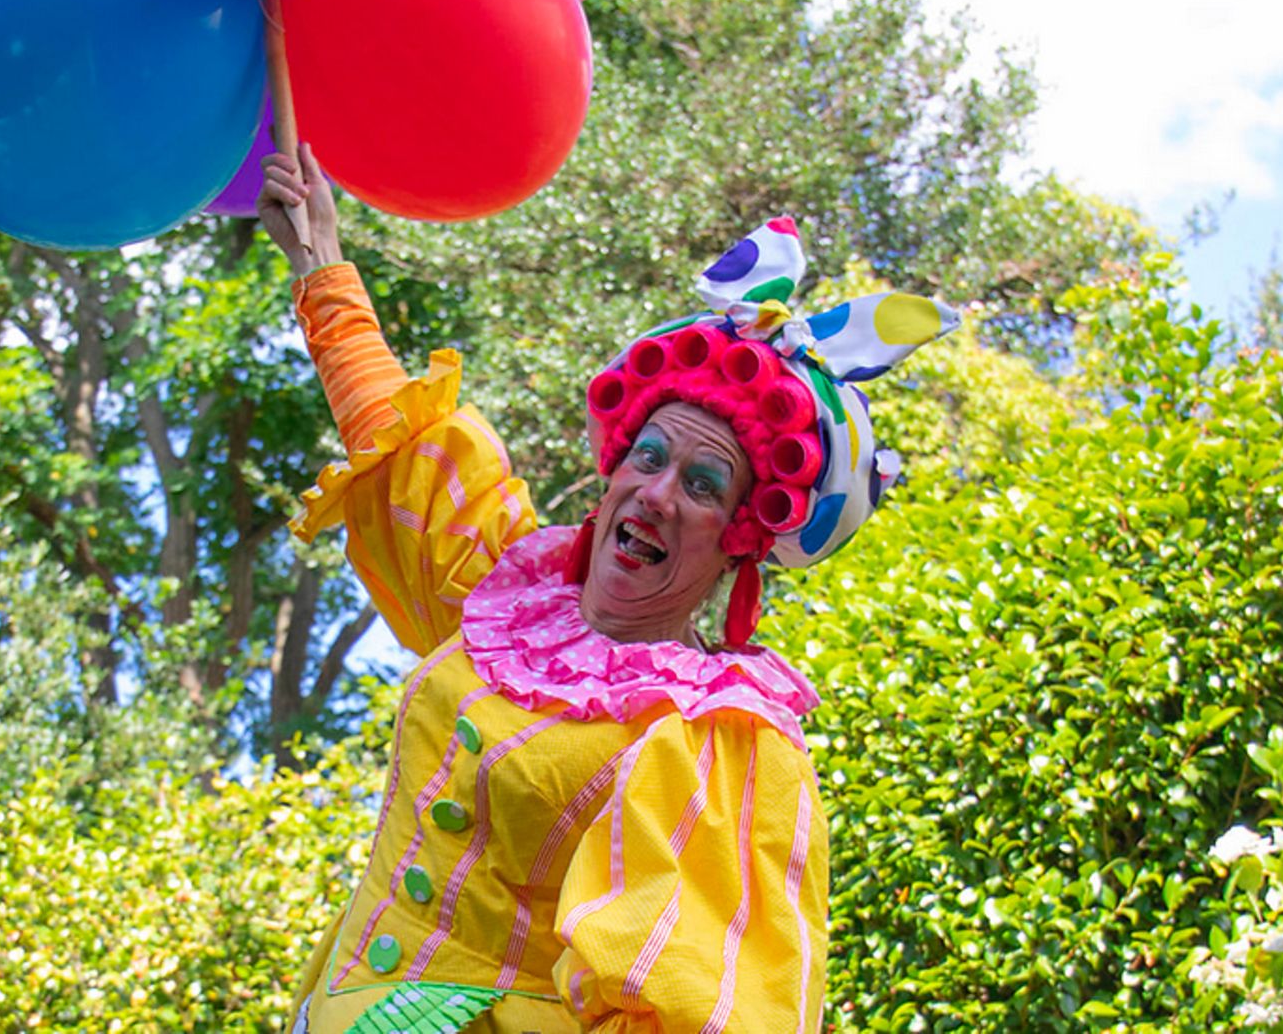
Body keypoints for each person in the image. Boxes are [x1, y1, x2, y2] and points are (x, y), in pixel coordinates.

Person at [259, 146, 956, 1034]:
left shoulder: (712, 739)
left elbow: (697, 1003)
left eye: (705, 486)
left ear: (739, 536)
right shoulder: (503, 591)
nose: (659, 493)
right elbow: (396, 441)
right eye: (649, 457)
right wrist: (319, 260)